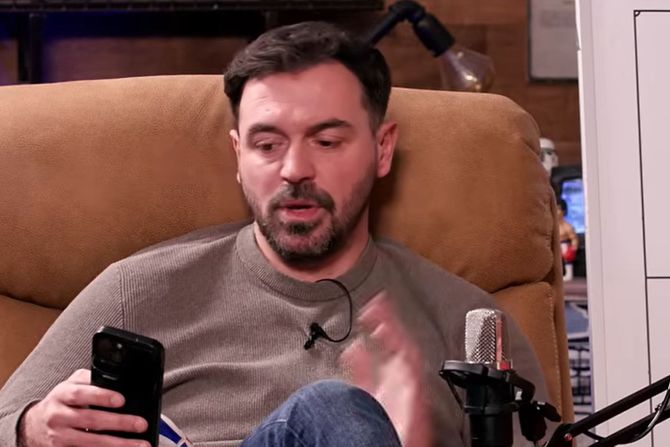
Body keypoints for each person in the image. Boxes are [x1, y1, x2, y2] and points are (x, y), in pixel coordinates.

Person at [0, 21, 548, 447]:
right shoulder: (138, 289)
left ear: (382, 149)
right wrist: (32, 427)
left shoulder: (473, 328)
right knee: (333, 410)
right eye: (267, 145)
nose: (294, 170)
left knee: (337, 415)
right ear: (239, 155)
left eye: (326, 142)